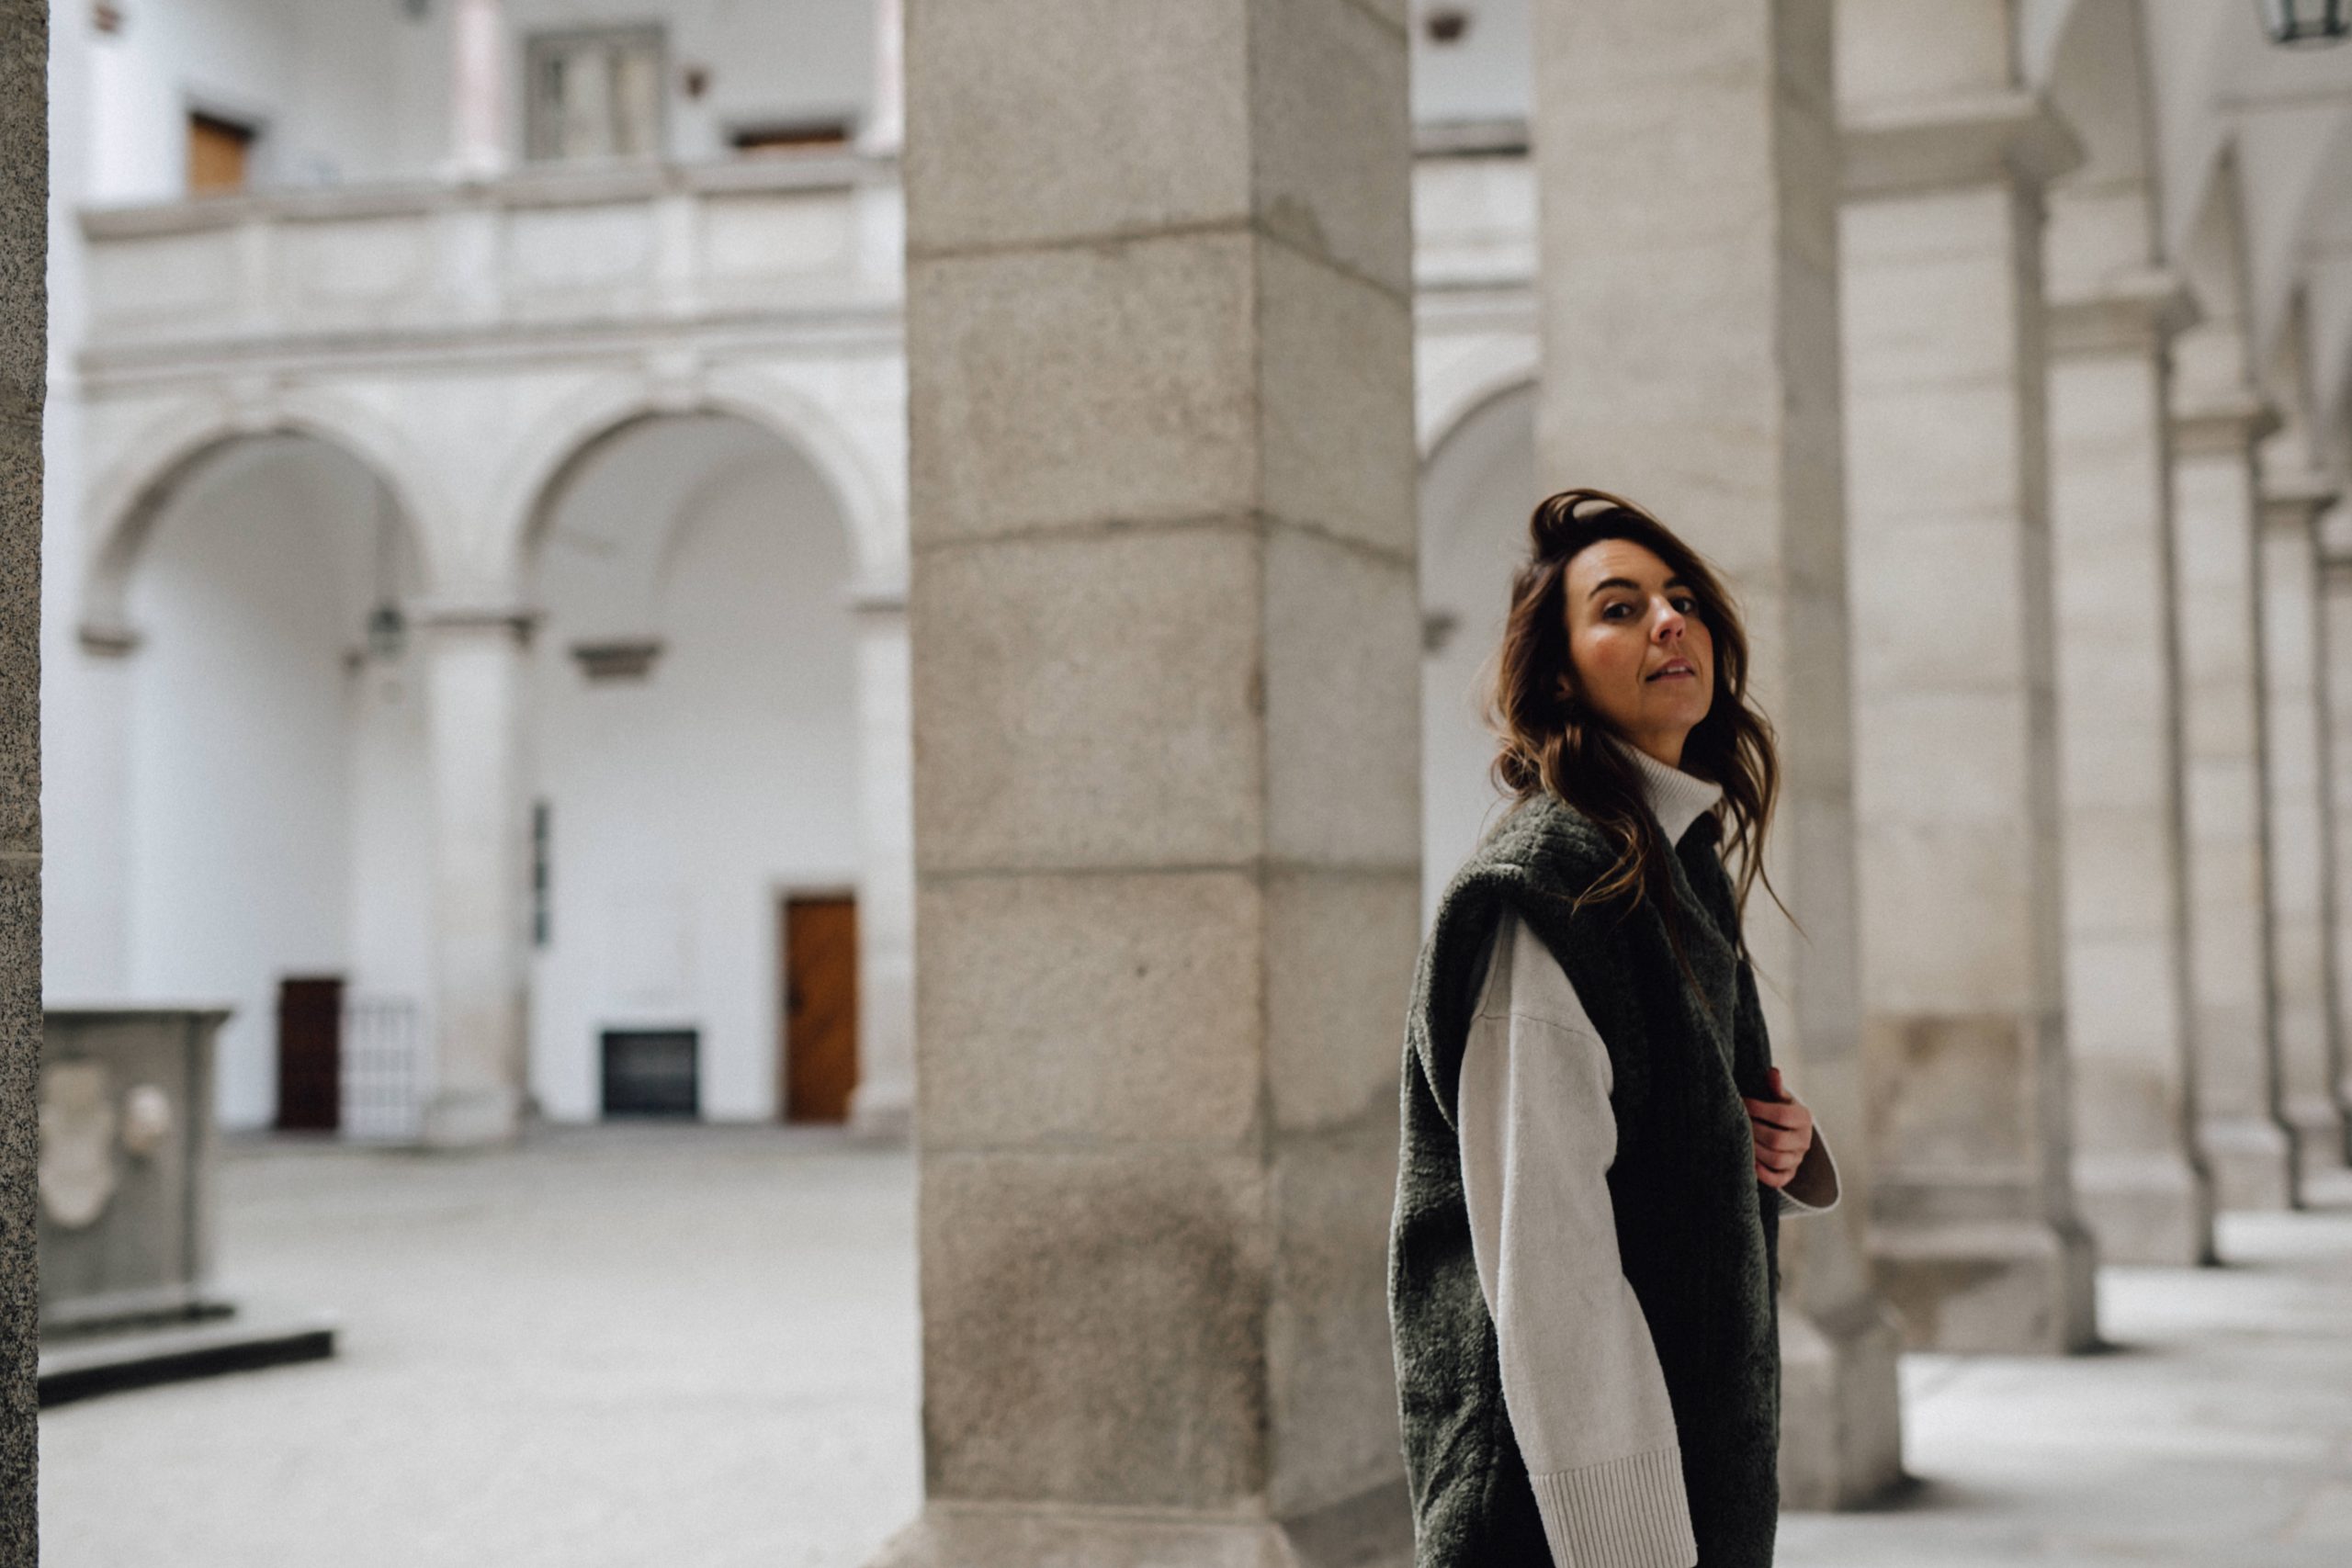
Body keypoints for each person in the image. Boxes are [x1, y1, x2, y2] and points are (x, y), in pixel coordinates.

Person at [1389, 489, 1841, 1568]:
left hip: (1685, 1475)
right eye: (1620, 608)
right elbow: (1551, 1270)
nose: (1669, 622)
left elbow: (1644, 1131)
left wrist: (1763, 1141)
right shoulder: (1551, 886)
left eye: (1680, 599)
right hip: (1566, 1521)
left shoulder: (1668, 859)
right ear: (1557, 676)